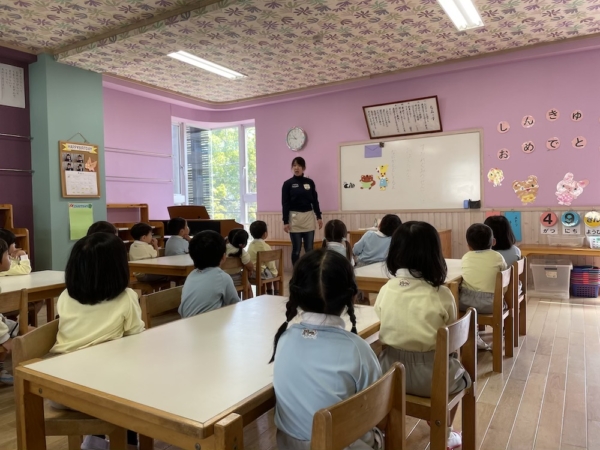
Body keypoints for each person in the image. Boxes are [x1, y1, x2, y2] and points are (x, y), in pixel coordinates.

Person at [271, 249, 383, 450]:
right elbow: (377, 406)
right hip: (341, 444)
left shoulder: (284, 339)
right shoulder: (357, 349)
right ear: (353, 296)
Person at [375, 221, 469, 450]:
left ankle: (384, 432)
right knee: (465, 379)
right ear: (434, 254)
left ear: (394, 253)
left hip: (389, 375)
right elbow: (450, 338)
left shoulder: (386, 289)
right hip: (433, 378)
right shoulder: (442, 294)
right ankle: (444, 431)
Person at [50, 233, 145, 450]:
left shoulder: (65, 296)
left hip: (57, 388)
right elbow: (137, 341)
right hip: (100, 394)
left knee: (105, 374)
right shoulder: (127, 297)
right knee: (129, 385)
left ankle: (95, 441)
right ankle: (128, 444)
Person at [460, 223, 508, 350]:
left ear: (468, 245)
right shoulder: (497, 257)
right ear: (493, 242)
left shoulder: (466, 257)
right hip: (493, 304)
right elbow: (504, 283)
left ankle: (468, 336)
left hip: (466, 304)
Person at [179, 230, 240, 318]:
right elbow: (235, 305)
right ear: (223, 257)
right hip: (208, 327)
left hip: (185, 324)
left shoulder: (191, 275)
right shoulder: (223, 277)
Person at [281, 157, 322, 265]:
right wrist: (285, 221)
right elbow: (285, 203)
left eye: (299, 165)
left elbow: (315, 201)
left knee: (309, 249)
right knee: (296, 250)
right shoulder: (287, 184)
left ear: (303, 168)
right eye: (294, 165)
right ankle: (296, 274)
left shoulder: (310, 182)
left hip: (308, 217)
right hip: (294, 218)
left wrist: (319, 217)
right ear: (292, 168)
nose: (296, 168)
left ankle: (310, 273)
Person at [0, 238, 18, 385]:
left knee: (32, 332)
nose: (10, 258)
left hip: (2, 323)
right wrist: (5, 339)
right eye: (7, 255)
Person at [247, 220, 278, 294]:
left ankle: (269, 291)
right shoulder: (265, 246)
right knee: (273, 273)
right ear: (265, 234)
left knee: (267, 270)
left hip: (251, 273)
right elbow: (270, 263)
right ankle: (276, 292)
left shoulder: (250, 245)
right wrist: (275, 272)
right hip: (261, 273)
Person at [224, 229, 254, 293]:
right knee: (249, 287)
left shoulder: (222, 248)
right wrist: (250, 270)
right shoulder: (241, 252)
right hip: (236, 279)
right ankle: (249, 302)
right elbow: (250, 266)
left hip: (222, 278)